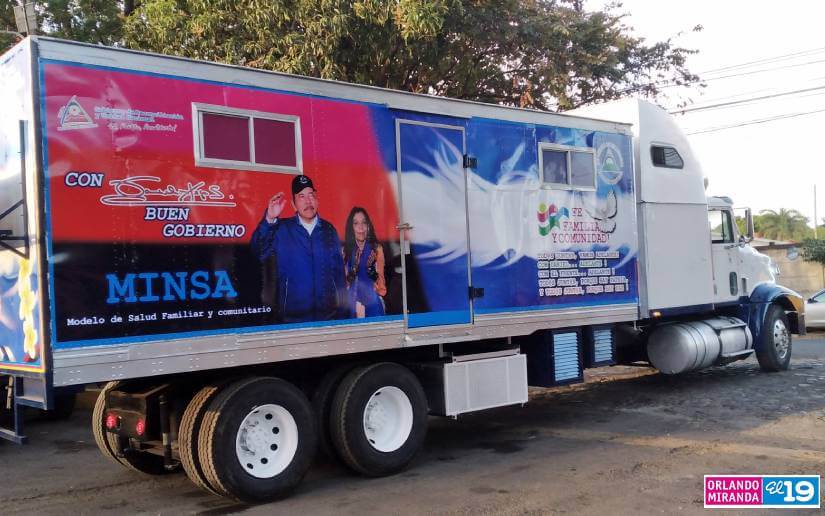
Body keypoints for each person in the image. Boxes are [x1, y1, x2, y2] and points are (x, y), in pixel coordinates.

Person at [251, 175, 347, 323]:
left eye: (311, 195)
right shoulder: (281, 229)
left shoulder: (329, 230)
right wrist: (269, 219)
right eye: (301, 196)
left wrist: (343, 316)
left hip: (328, 319)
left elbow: (339, 276)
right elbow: (258, 251)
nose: (308, 201)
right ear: (293, 204)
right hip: (292, 321)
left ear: (317, 199)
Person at [343, 207, 386, 318]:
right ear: (351, 228)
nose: (361, 227)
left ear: (368, 226)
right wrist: (352, 272)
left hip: (373, 308)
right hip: (352, 308)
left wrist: (372, 273)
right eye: (356, 223)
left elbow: (382, 289)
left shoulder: (377, 249)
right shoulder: (345, 251)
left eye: (364, 222)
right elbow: (343, 287)